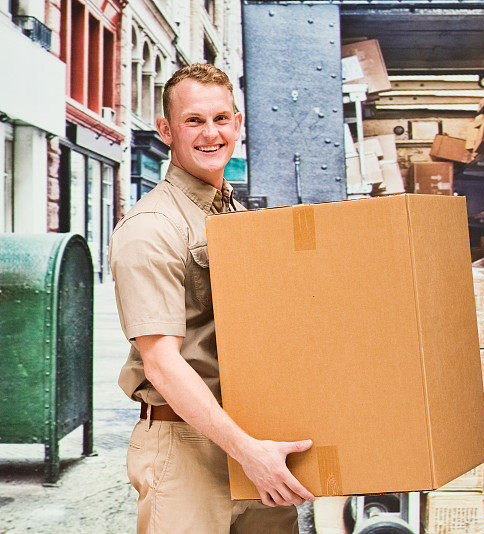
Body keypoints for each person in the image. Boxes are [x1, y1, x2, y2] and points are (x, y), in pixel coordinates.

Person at [109, 63, 315, 533]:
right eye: (193, 121)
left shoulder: (235, 217)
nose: (211, 133)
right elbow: (161, 363)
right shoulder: (151, 227)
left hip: (256, 441)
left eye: (221, 119)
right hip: (187, 451)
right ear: (165, 130)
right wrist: (249, 451)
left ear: (238, 124)